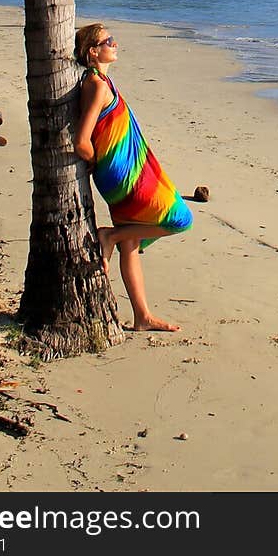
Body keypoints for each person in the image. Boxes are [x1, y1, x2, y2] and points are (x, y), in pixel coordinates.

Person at [73, 23, 193, 332]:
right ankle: (108, 236)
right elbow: (82, 141)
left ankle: (142, 316)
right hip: (124, 174)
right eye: (107, 41)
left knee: (132, 241)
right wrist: (97, 162)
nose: (114, 44)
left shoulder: (98, 81)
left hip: (121, 170)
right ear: (93, 51)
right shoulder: (98, 85)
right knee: (180, 219)